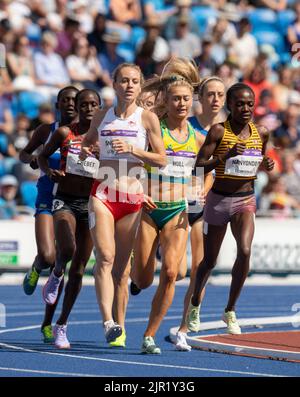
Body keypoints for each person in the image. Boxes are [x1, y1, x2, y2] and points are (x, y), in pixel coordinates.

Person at [79, 63, 166, 348]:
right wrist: (86, 150)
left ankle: (121, 326)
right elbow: (87, 144)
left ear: (140, 87)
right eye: (124, 80)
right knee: (104, 257)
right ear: (114, 84)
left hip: (131, 199)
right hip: (103, 194)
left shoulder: (148, 119)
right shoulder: (102, 116)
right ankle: (108, 322)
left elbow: (161, 159)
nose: (129, 85)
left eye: (134, 81)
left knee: (122, 270)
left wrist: (133, 150)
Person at [186, 83, 274, 337]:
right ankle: (195, 303)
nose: (245, 108)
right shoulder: (218, 131)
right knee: (210, 261)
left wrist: (266, 164)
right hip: (218, 200)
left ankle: (230, 310)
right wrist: (223, 157)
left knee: (245, 251)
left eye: (249, 103)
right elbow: (198, 167)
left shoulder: (261, 132)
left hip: (245, 200)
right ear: (229, 106)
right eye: (239, 103)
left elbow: (257, 161)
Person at [130, 58, 202, 354]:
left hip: (176, 211)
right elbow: (130, 164)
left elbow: (207, 171)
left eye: (186, 99)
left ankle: (149, 335)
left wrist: (202, 190)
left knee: (172, 273)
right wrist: (136, 191)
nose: (182, 104)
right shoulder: (153, 129)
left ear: (191, 101)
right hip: (149, 209)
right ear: (167, 101)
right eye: (176, 99)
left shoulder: (197, 138)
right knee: (144, 279)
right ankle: (136, 273)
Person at [38, 89, 101, 349]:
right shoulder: (65, 133)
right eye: (83, 104)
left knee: (79, 270)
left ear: (99, 108)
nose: (88, 108)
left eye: (93, 104)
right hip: (64, 199)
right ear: (76, 106)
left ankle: (62, 325)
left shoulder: (104, 138)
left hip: (91, 204)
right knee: (67, 248)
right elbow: (42, 156)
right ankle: (55, 272)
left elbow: (117, 168)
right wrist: (49, 171)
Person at [20, 86, 79, 343]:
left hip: (73, 201)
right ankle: (36, 266)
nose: (69, 104)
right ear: (57, 104)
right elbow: (24, 153)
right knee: (47, 255)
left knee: (61, 265)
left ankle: (47, 323)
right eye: (64, 100)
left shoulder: (85, 134)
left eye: (73, 100)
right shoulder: (46, 130)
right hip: (47, 197)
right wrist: (33, 158)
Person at [176, 76, 226, 351]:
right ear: (201, 97)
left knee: (200, 265)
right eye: (211, 94)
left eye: (220, 94)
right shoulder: (186, 124)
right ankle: (140, 274)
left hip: (203, 202)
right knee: (176, 272)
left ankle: (184, 326)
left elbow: (217, 171)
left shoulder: (226, 131)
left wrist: (205, 189)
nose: (216, 99)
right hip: (172, 199)